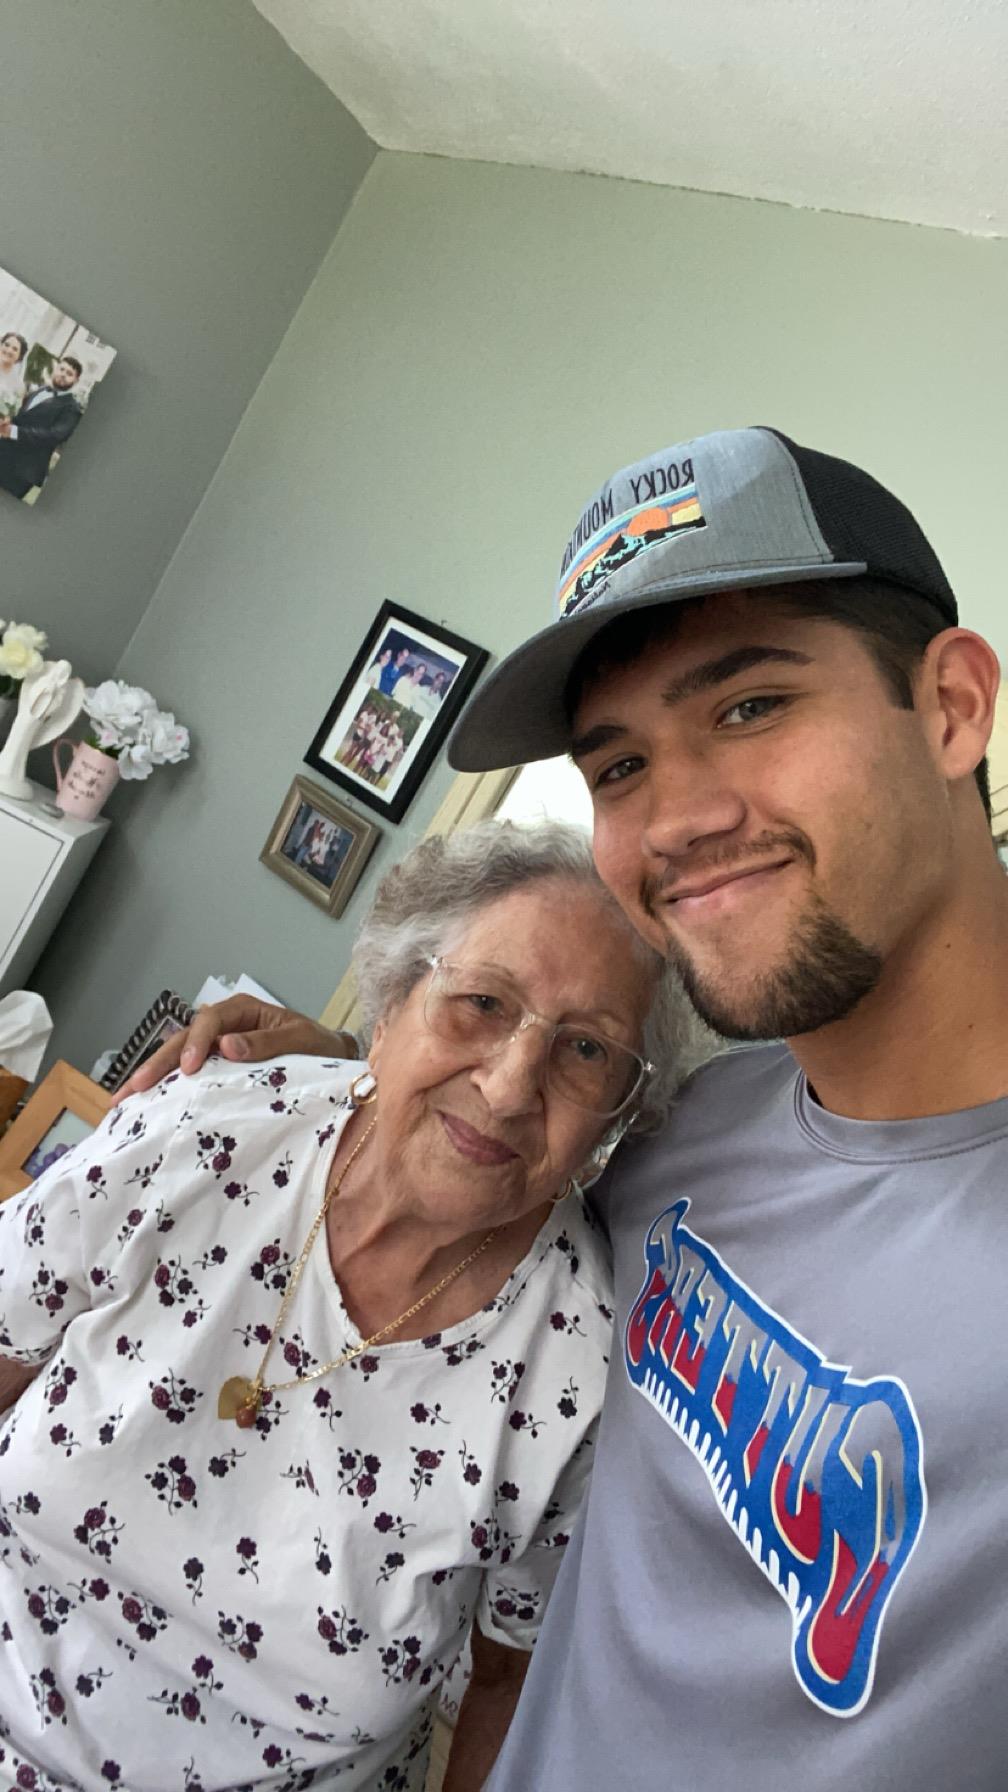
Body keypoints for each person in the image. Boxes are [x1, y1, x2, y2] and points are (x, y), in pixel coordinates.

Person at [147, 426, 1008, 1789]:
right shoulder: (686, 1138)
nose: (676, 819)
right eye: (619, 768)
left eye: (749, 707)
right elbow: (498, 1146)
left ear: (952, 705)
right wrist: (378, 1063)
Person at [0, 819, 696, 1792]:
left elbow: (506, 1678)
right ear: (392, 1000)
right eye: (481, 1002)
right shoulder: (201, 1133)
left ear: (622, 1111)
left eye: (587, 1050)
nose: (506, 1088)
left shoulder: (587, 1368)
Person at [0, 352, 84, 499]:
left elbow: (54, 436)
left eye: (69, 373)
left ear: (76, 380)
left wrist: (14, 432)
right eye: (61, 369)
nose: (63, 374)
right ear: (55, 369)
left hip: (23, 471)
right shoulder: (38, 391)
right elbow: (21, 417)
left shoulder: (72, 409)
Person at [0, 330, 28, 422]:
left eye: (15, 349)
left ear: (20, 356)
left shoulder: (19, 386)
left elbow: (10, 416)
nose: (9, 350)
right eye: (6, 345)